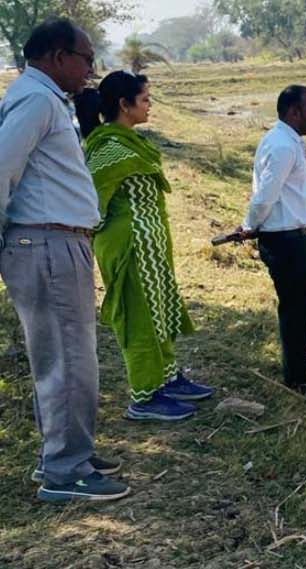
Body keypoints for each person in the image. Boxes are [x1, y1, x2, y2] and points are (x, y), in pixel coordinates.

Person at [0, 18, 129, 502]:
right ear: (57, 57)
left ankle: (66, 452)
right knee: (69, 359)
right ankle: (65, 469)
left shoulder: (41, 98)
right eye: (86, 58)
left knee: (62, 356)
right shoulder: (36, 99)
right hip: (47, 244)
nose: (90, 70)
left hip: (53, 242)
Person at [79, 70, 216, 421]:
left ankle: (166, 380)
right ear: (124, 105)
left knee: (160, 314)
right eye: (145, 100)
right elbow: (91, 207)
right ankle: (144, 397)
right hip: (129, 249)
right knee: (140, 321)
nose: (150, 106)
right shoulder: (107, 150)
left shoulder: (127, 142)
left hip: (149, 246)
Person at [227, 85, 306, 406]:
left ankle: (299, 372)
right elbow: (265, 196)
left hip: (289, 238)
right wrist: (249, 225)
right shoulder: (283, 146)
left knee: (297, 310)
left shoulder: (285, 141)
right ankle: (299, 381)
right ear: (293, 112)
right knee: (296, 312)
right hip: (286, 243)